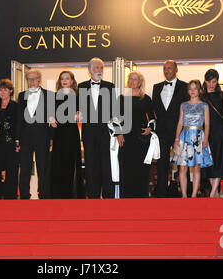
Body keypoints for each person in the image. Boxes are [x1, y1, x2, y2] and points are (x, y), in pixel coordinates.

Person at [78, 57, 115, 199]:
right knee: (91, 164)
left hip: (106, 132)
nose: (100, 70)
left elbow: (114, 110)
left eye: (101, 68)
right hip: (88, 132)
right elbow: (78, 107)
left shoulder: (110, 86)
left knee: (106, 164)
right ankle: (92, 195)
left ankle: (108, 195)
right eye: (97, 68)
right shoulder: (81, 87)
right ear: (90, 70)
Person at [15, 70, 55, 199]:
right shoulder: (21, 96)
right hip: (25, 138)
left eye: (34, 79)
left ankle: (43, 195)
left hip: (42, 137)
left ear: (39, 80)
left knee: (43, 168)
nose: (31, 82)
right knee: (25, 169)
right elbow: (19, 119)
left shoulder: (49, 95)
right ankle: (24, 196)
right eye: (29, 79)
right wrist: (17, 138)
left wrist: (51, 137)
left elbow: (52, 118)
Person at [151, 60, 188, 198]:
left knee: (182, 162)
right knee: (161, 163)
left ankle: (182, 191)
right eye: (165, 68)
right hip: (161, 132)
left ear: (176, 69)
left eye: (170, 68)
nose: (167, 71)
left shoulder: (185, 86)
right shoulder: (157, 87)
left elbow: (187, 108)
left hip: (179, 131)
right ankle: (161, 192)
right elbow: (154, 110)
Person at [117, 71, 155, 198]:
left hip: (141, 139)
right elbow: (115, 118)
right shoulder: (121, 98)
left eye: (135, 79)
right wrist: (118, 134)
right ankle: (126, 197)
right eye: (130, 79)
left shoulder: (146, 98)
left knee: (142, 168)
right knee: (126, 168)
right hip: (125, 138)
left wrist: (150, 128)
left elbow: (153, 118)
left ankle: (142, 197)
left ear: (140, 82)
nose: (132, 81)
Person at [173, 80, 213, 198]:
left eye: (195, 88)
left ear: (199, 90)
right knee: (183, 166)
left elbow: (207, 125)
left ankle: (194, 195)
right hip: (184, 137)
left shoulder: (204, 105)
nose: (192, 91)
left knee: (196, 167)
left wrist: (205, 139)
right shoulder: (183, 105)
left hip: (198, 137)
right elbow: (180, 123)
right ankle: (184, 195)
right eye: (190, 89)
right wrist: (176, 139)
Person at [50, 71, 85, 199]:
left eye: (67, 78)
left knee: (71, 163)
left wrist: (78, 115)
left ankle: (73, 195)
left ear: (72, 81)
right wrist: (51, 119)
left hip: (71, 133)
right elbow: (49, 114)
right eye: (62, 79)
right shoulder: (54, 96)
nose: (64, 81)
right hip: (59, 133)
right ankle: (58, 195)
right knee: (58, 163)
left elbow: (82, 114)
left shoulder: (77, 96)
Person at [0, 79, 19, 199]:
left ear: (10, 91)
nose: (2, 92)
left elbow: (16, 125)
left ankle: (10, 197)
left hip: (10, 142)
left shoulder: (15, 106)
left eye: (5, 90)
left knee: (11, 171)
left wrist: (17, 142)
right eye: (0, 90)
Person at [202, 69, 223, 197]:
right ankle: (215, 192)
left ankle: (213, 193)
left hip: (219, 131)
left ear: (217, 82)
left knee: (219, 160)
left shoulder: (221, 95)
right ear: (205, 81)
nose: (211, 84)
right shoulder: (201, 96)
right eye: (209, 81)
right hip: (205, 132)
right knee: (208, 162)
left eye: (214, 82)